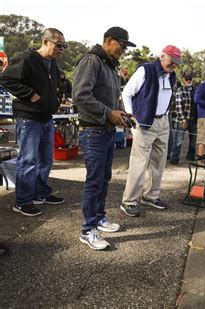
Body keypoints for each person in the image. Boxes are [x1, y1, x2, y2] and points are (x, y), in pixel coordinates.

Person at [73, 26, 135, 250]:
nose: (123, 50)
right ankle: (88, 230)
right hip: (92, 131)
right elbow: (80, 95)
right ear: (108, 40)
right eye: (122, 45)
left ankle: (98, 218)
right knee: (94, 180)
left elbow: (110, 99)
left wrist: (120, 112)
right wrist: (109, 113)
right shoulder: (92, 61)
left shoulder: (110, 65)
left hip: (106, 131)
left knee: (104, 178)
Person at [0, 28, 66, 217]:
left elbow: (55, 85)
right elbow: (6, 78)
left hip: (46, 116)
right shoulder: (27, 58)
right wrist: (30, 95)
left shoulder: (52, 63)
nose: (62, 49)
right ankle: (23, 201)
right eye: (59, 45)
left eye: (64, 45)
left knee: (46, 158)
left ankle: (41, 193)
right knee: (28, 160)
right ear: (46, 42)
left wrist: (56, 99)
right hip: (29, 117)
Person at [120, 44, 182, 217]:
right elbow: (126, 93)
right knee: (139, 163)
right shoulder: (145, 70)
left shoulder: (172, 76)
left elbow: (166, 97)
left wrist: (166, 115)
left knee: (159, 163)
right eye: (172, 61)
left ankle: (151, 195)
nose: (174, 65)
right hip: (144, 122)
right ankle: (129, 201)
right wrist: (131, 116)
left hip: (163, 121)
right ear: (162, 56)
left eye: (177, 62)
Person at [169, 71, 196, 164]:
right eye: (186, 79)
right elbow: (179, 107)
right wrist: (184, 120)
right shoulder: (180, 91)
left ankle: (191, 155)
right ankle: (174, 157)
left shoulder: (194, 90)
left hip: (193, 119)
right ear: (183, 80)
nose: (188, 80)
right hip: (182, 120)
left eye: (190, 78)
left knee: (193, 140)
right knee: (178, 140)